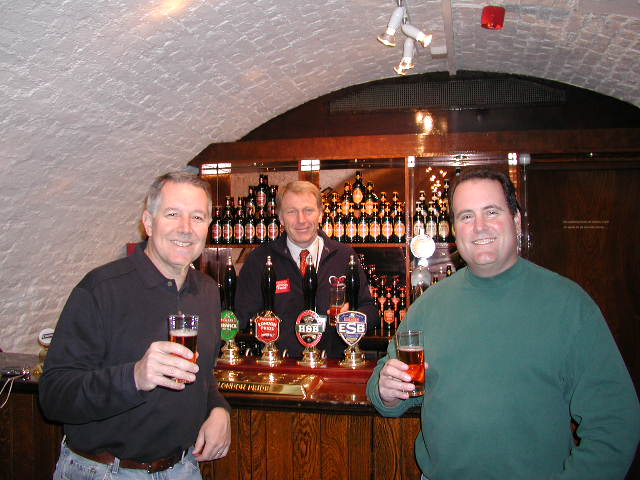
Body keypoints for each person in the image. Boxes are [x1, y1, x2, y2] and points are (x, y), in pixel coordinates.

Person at [366, 168, 640, 480]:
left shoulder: (568, 304)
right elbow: (383, 386)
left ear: (516, 220)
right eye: (466, 216)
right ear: (454, 229)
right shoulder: (429, 305)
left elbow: (615, 424)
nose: (479, 227)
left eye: (491, 211)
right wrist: (386, 390)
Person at [40, 171, 231, 479]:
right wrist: (134, 377)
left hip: (182, 469)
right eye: (172, 214)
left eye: (197, 217)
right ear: (148, 221)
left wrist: (218, 408)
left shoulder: (207, 290)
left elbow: (201, 374)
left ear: (208, 226)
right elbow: (54, 396)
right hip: (106, 471)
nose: (185, 229)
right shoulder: (101, 289)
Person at [236, 180, 378, 358]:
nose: (301, 220)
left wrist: (353, 316)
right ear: (280, 218)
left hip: (332, 367)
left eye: (308, 210)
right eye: (291, 212)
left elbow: (370, 311)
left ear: (320, 214)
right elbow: (242, 316)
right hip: (280, 368)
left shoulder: (344, 256)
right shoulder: (260, 259)